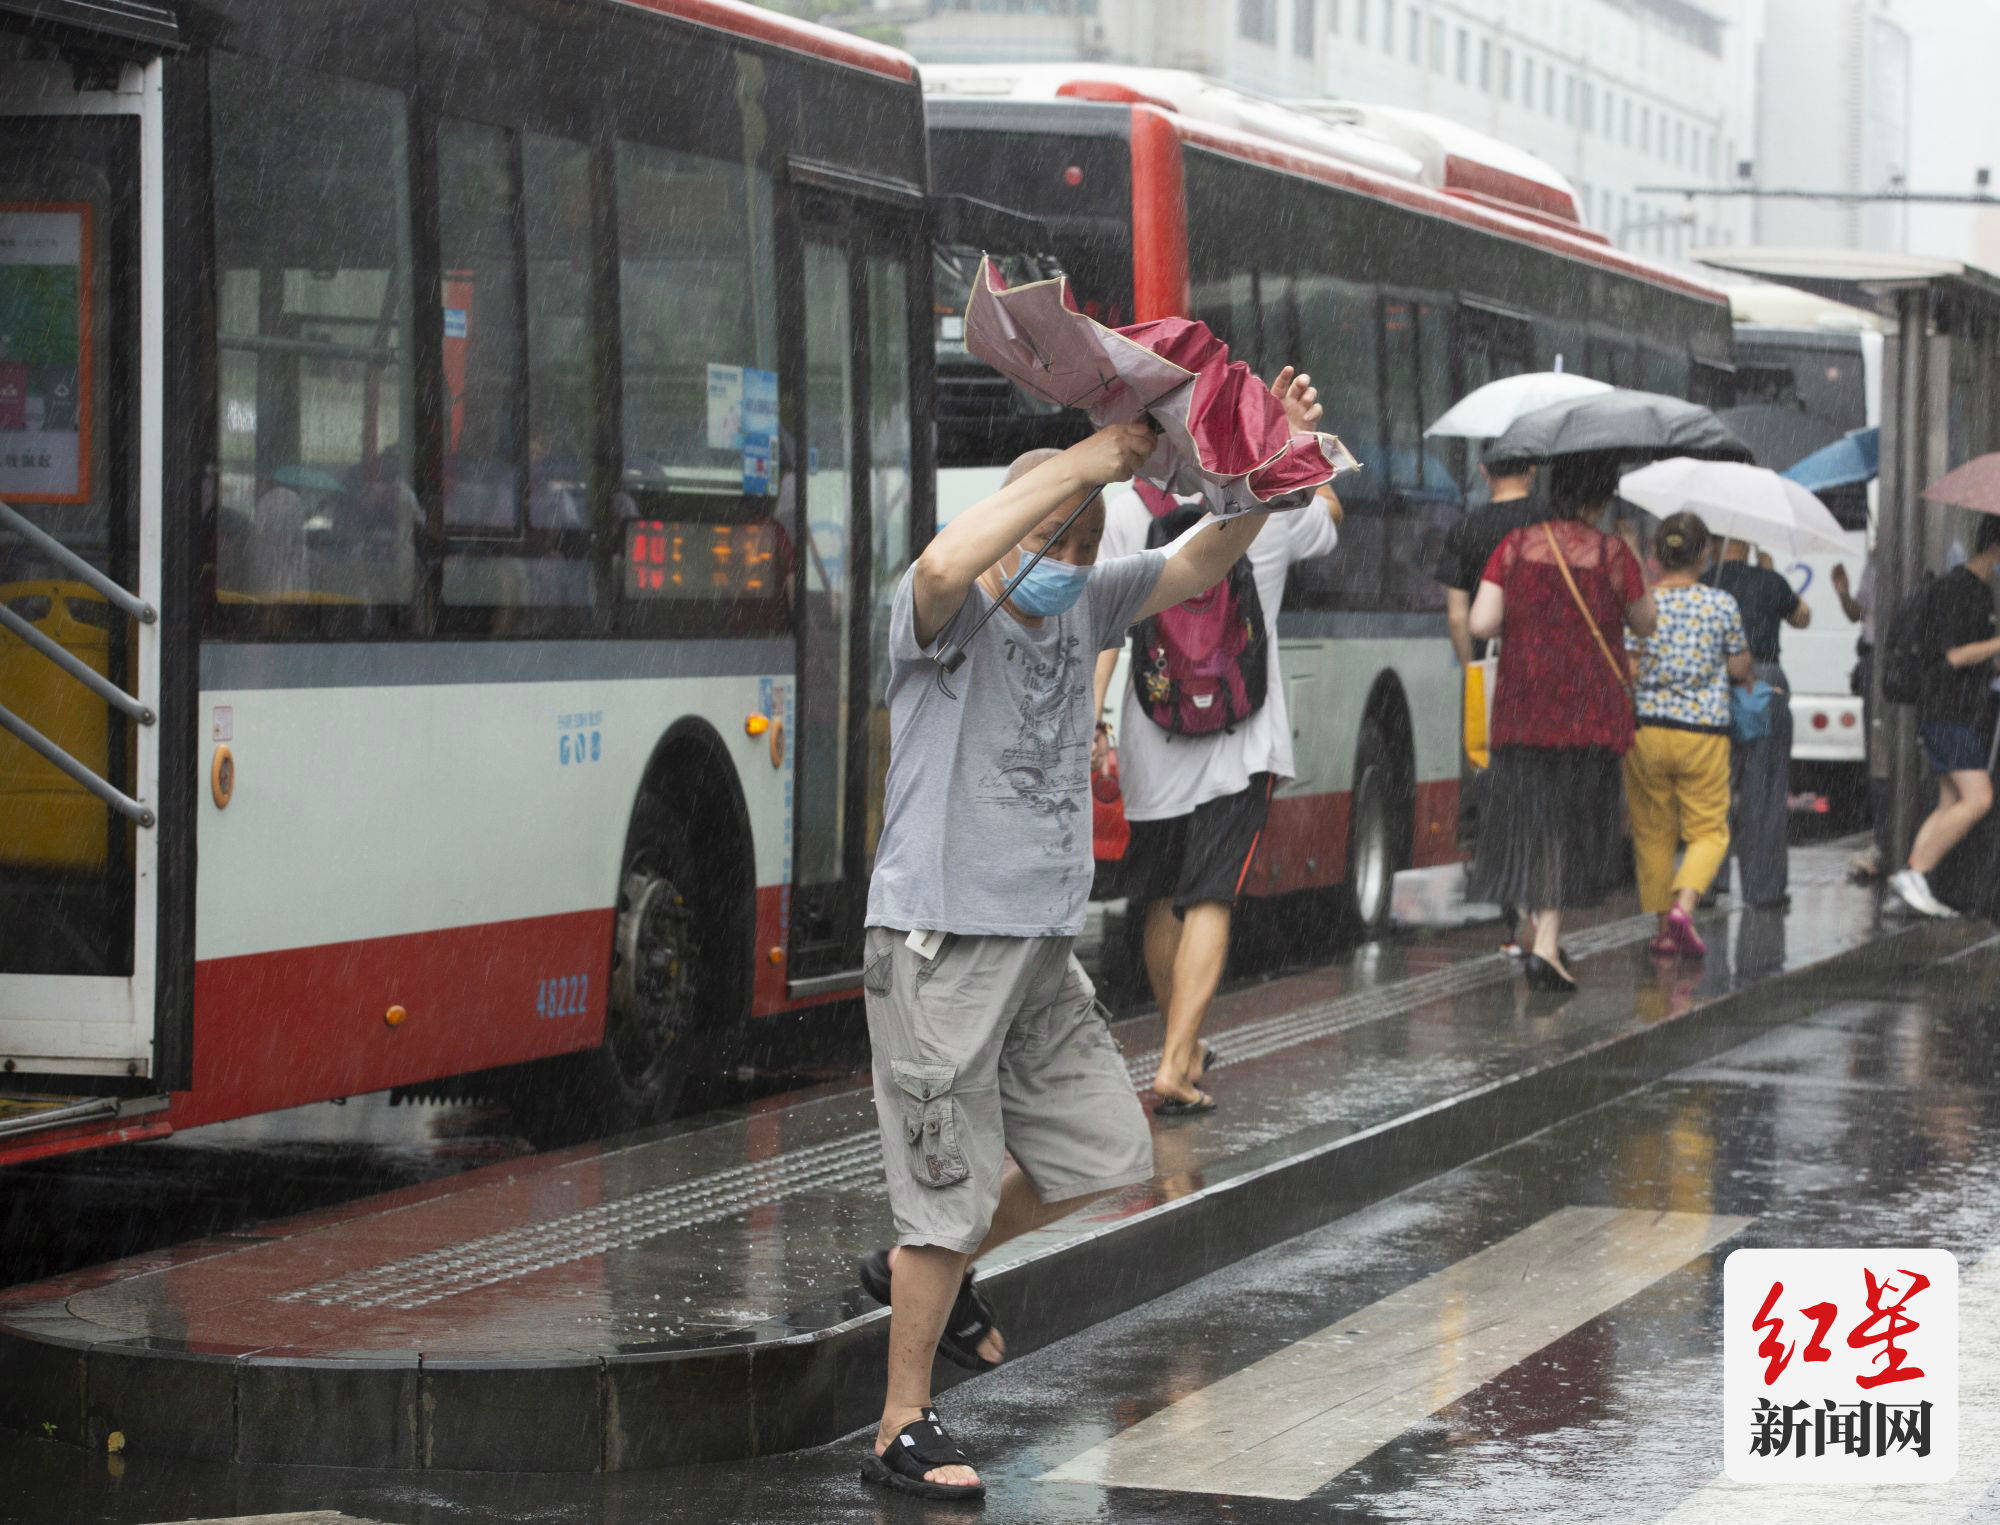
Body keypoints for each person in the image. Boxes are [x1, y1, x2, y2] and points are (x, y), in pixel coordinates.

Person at [856, 375, 1322, 1501]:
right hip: (939, 938)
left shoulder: (1085, 601)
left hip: (1035, 943)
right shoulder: (945, 609)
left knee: (1106, 1150)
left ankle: (942, 1266)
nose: (1067, 548)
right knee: (943, 1184)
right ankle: (899, 1423)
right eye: (1051, 529)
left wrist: (1273, 465)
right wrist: (1076, 462)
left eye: (1081, 533)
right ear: (1013, 524)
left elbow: (1203, 562)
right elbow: (935, 567)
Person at [1092, 382, 1338, 1115]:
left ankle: (1181, 1046)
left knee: (1163, 894)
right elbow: (1331, 516)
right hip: (1240, 731)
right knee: (1211, 894)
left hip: (1151, 727)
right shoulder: (1268, 500)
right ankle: (1175, 1059)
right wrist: (1297, 445)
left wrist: (1090, 719)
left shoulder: (1128, 506)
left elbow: (1102, 621)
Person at [1467, 450, 1655, 992]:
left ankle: (1539, 932)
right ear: (1601, 497)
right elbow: (1646, 624)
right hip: (1587, 712)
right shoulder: (1611, 554)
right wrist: (1631, 557)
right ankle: (1546, 943)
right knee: (1567, 825)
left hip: (1524, 708)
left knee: (1533, 819)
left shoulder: (1516, 547)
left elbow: (1482, 620)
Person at [1623, 512, 1752, 957]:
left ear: (1657, 554)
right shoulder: (1721, 605)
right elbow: (1738, 668)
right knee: (1709, 831)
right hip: (1703, 735)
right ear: (1705, 554)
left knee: (1653, 832)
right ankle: (1686, 906)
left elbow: (1630, 668)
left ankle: (1663, 928)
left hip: (1648, 733)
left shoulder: (1643, 606)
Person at [1434, 453, 1544, 954]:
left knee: (1496, 782)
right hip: (1546, 671)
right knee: (1544, 784)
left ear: (1483, 472)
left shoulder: (1466, 529)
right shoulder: (1548, 524)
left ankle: (1511, 911)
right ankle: (1542, 910)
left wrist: (1473, 670)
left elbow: (1458, 617)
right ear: (1532, 472)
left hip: (1490, 669)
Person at [1887, 515, 2000, 918]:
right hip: (1948, 712)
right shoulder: (1958, 591)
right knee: (1979, 798)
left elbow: (1972, 657)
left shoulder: (1978, 591)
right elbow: (1951, 657)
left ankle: (1913, 881)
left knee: (1949, 800)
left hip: (1955, 711)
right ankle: (1916, 872)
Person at [1714, 537, 1809, 907]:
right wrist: (1769, 570)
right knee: (1764, 786)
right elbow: (1803, 617)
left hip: (1716, 683)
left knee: (1714, 786)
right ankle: (1762, 887)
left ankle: (1705, 882)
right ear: (1749, 541)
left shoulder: (1708, 580)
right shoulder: (1769, 580)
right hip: (1763, 681)